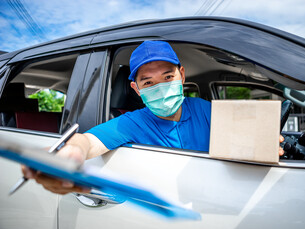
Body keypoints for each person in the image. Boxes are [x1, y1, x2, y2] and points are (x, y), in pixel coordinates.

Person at [23, 41, 285, 195]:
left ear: (182, 75)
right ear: (136, 89)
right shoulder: (134, 122)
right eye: (148, 82)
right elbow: (88, 141)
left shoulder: (206, 109)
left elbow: (241, 141)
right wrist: (71, 154)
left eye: (168, 77)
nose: (160, 87)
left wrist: (263, 144)